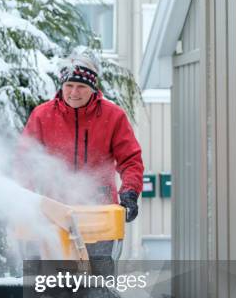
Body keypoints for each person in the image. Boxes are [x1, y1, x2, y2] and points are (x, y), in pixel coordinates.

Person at [19, 51, 144, 224]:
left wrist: (130, 192)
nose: (74, 92)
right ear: (62, 85)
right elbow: (25, 160)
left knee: (97, 252)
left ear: (92, 88)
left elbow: (131, 160)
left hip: (101, 211)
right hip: (55, 211)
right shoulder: (42, 115)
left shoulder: (114, 116)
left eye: (81, 86)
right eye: (69, 85)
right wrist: (27, 197)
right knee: (57, 252)